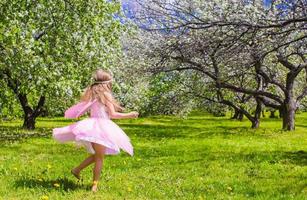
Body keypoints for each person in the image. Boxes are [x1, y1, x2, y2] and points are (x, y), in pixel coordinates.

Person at [52, 69, 138, 192]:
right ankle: (94, 185)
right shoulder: (106, 95)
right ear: (107, 84)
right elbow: (113, 114)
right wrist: (130, 114)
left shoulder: (91, 93)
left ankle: (77, 170)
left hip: (92, 126)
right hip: (101, 128)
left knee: (98, 155)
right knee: (99, 158)